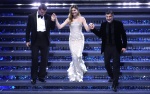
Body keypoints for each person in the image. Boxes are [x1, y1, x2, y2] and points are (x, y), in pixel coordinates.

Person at [89, 10, 127, 92]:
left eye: (110, 16)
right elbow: (100, 35)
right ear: (105, 17)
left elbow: (123, 35)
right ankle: (113, 77)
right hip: (106, 47)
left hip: (116, 47)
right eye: (107, 17)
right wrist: (93, 29)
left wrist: (124, 46)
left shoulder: (118, 24)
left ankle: (115, 84)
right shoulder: (103, 24)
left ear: (113, 16)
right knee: (106, 64)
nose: (108, 18)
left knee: (116, 66)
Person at [52, 5, 90, 82]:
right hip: (72, 40)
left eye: (75, 10)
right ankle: (76, 75)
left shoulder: (82, 19)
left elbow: (87, 29)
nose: (73, 12)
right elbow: (59, 27)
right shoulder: (69, 19)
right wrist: (56, 19)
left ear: (77, 10)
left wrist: (90, 26)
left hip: (80, 39)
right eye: (72, 10)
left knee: (78, 56)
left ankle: (79, 74)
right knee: (74, 57)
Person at [26, 4, 55, 85]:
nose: (43, 14)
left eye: (44, 12)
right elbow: (28, 29)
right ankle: (33, 78)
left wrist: (53, 20)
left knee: (44, 59)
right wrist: (27, 40)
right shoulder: (31, 16)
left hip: (45, 40)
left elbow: (52, 28)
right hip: (35, 40)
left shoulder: (48, 16)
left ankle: (41, 77)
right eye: (42, 12)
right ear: (38, 9)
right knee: (34, 59)